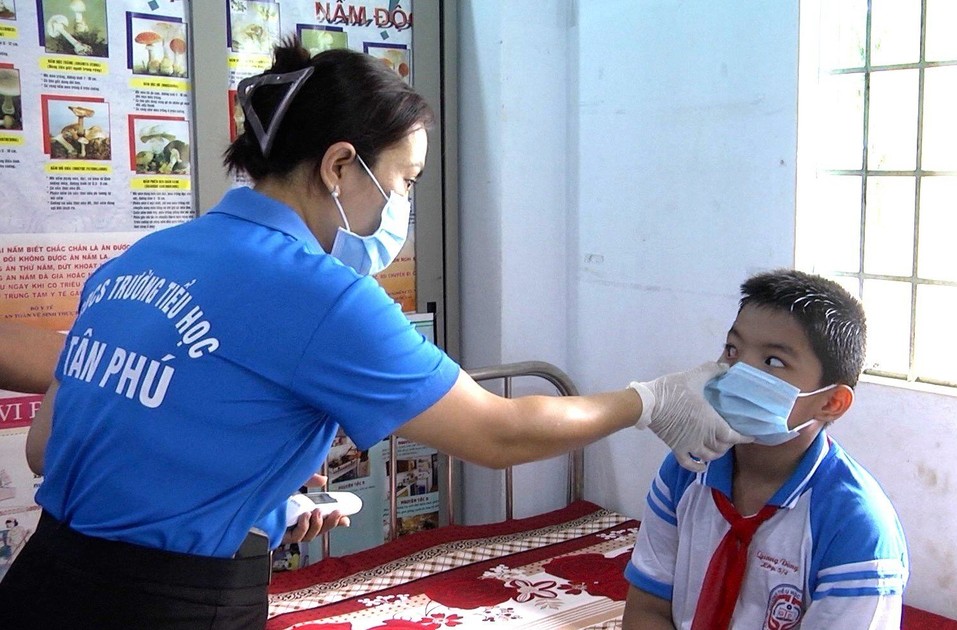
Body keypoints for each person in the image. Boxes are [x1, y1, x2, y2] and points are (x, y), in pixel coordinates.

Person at [0, 38, 748, 629]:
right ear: (338, 166)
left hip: (41, 583)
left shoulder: (147, 259)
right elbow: (501, 433)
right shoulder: (318, 294)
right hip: (163, 608)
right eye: (405, 180)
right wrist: (651, 401)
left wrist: (258, 499)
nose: (401, 203)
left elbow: (49, 448)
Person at [622, 269, 908, 630]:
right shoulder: (688, 466)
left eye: (773, 361)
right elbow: (647, 609)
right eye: (732, 349)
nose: (737, 370)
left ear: (832, 402)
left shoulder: (855, 522)